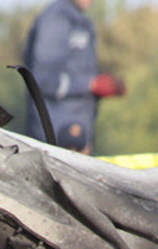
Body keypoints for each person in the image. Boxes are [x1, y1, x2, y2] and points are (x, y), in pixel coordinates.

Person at [21, 0, 121, 153]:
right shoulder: (55, 19)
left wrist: (104, 87)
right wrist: (90, 85)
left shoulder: (81, 21)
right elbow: (42, 79)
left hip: (79, 136)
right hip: (55, 138)